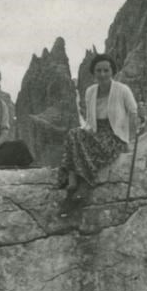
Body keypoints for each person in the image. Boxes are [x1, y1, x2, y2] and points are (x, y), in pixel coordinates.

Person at [58, 53, 139, 202]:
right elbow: (90, 120)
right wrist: (85, 133)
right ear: (93, 73)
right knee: (73, 133)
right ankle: (72, 179)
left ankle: (84, 183)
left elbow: (134, 113)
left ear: (112, 71)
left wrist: (131, 139)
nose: (102, 74)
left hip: (114, 136)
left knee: (85, 142)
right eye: (98, 70)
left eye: (106, 70)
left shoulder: (123, 90)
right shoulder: (90, 91)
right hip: (96, 132)